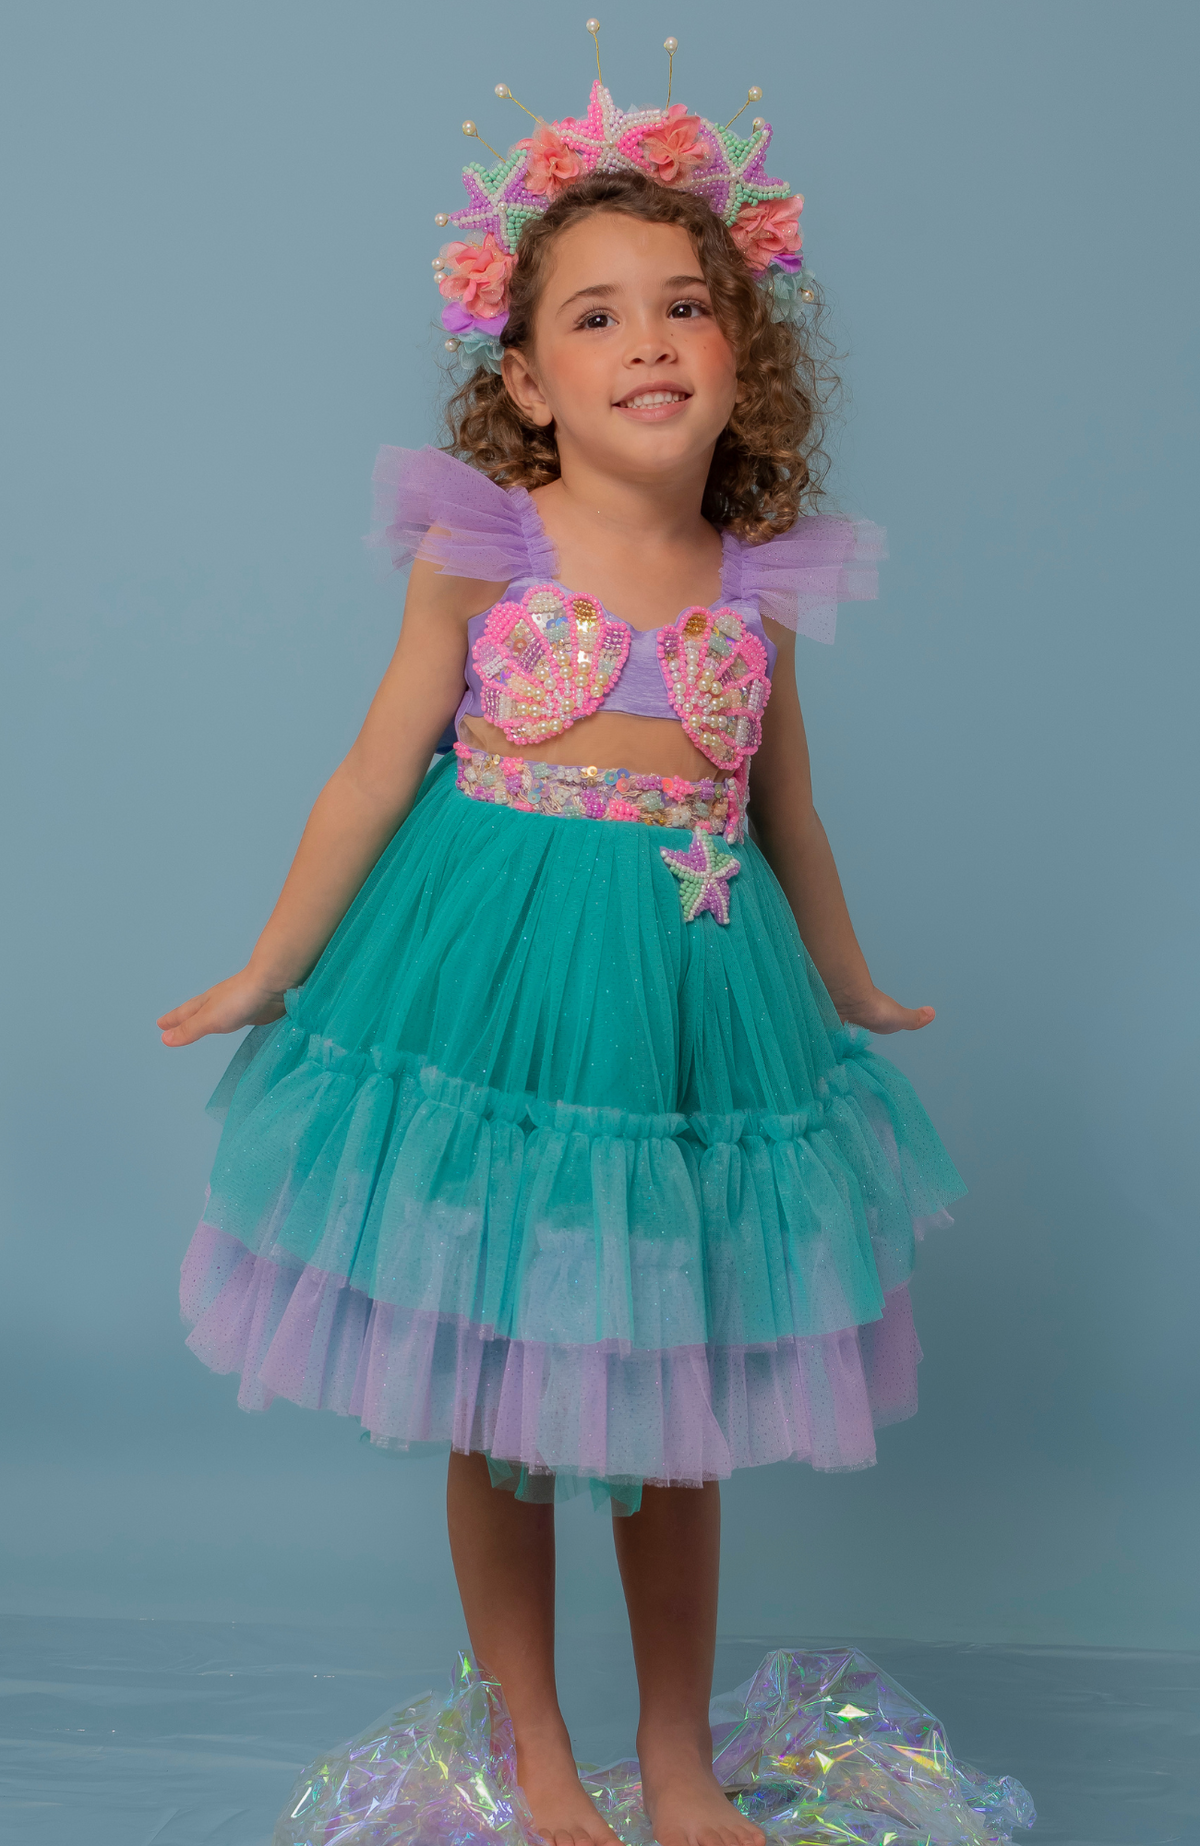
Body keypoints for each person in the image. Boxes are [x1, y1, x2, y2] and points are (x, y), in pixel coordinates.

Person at [159, 74, 964, 1846]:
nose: (648, 340)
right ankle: (534, 1746)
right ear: (525, 379)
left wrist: (846, 979)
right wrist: (269, 964)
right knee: (499, 1374)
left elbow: (788, 812)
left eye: (685, 306)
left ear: (741, 354)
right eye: (595, 317)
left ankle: (676, 1758)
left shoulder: (758, 583)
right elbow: (375, 769)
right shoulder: (485, 546)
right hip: (496, 983)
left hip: (689, 997)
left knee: (669, 1393)